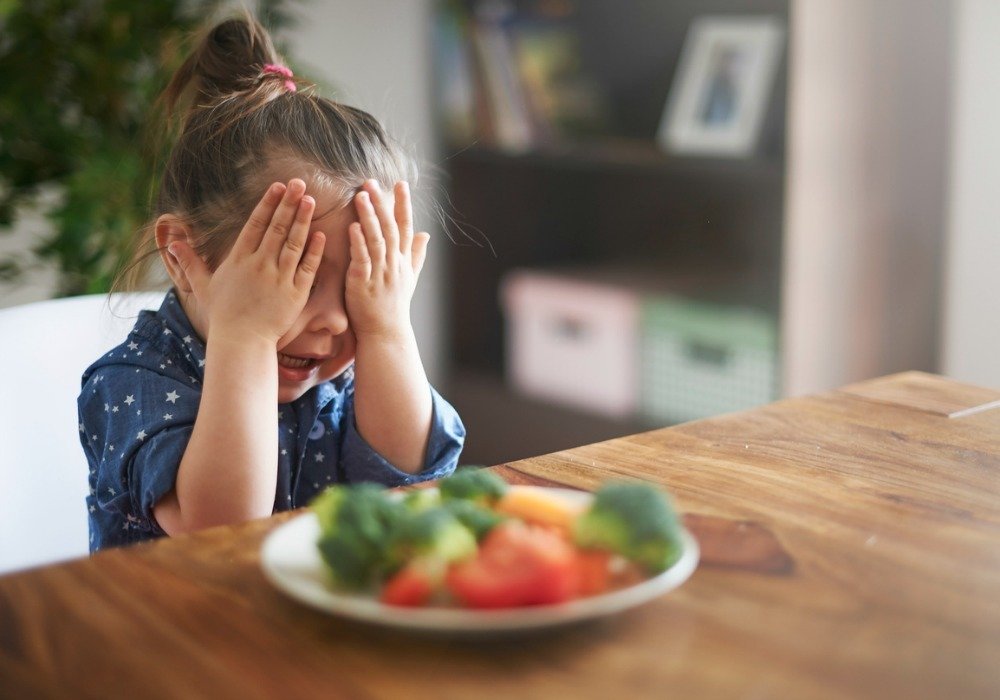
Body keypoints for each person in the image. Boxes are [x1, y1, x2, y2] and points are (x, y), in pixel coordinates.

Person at [78, 14, 465, 552]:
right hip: (168, 628)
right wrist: (248, 337)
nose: (334, 319)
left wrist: (386, 330)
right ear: (183, 256)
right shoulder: (133, 382)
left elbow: (412, 477)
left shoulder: (348, 367)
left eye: (359, 288)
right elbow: (222, 528)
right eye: (298, 283)